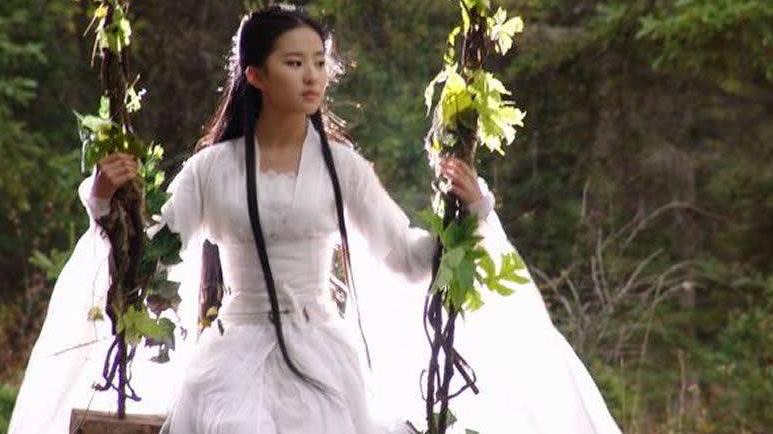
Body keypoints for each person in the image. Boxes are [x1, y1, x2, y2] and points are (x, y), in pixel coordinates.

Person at [9, 4, 622, 433]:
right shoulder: (212, 170)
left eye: (319, 62)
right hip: (236, 349)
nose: (312, 76)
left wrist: (467, 214)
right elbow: (150, 261)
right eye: (294, 63)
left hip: (322, 350)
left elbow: (405, 258)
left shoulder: (342, 168)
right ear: (255, 75)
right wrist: (104, 200)